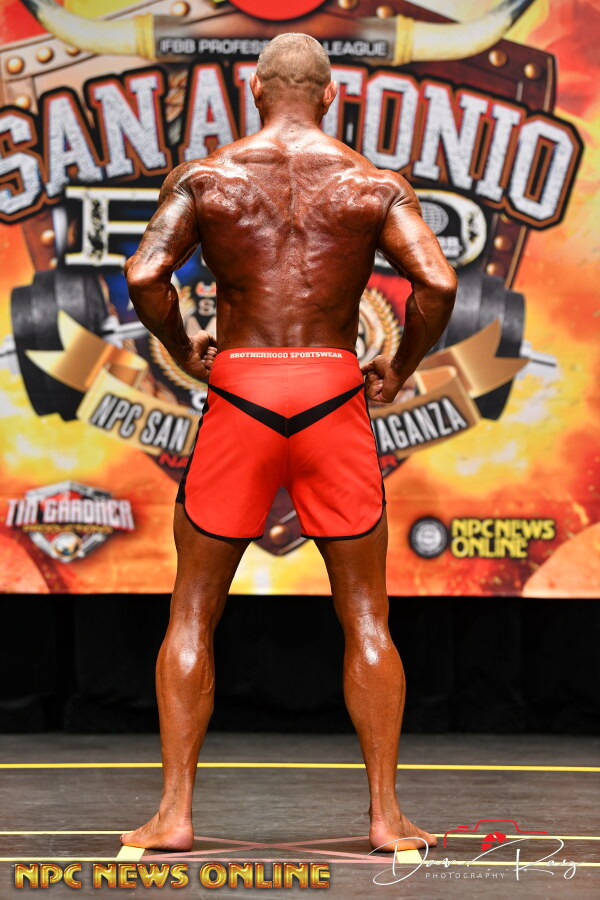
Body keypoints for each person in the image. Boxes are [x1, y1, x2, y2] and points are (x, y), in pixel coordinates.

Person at [122, 32, 456, 853]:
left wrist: (183, 350)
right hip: (330, 393)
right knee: (366, 614)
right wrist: (400, 365)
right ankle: (385, 816)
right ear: (330, 94)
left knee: (193, 610)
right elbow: (438, 282)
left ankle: (174, 815)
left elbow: (144, 274)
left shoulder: (207, 177)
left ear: (256, 89)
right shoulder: (372, 184)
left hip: (242, 390)